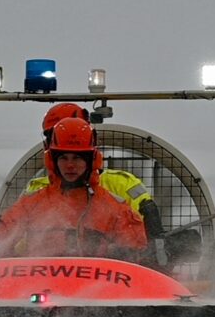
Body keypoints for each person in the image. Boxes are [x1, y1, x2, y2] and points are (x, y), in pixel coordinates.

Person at [0, 117, 147, 260]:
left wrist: (118, 253)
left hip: (96, 285)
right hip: (38, 281)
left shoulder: (114, 208)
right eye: (64, 158)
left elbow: (136, 253)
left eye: (77, 158)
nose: (70, 165)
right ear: (53, 161)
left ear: (91, 161)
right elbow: (6, 226)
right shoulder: (34, 202)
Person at [27, 103, 166, 242]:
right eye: (55, 137)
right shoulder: (36, 189)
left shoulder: (124, 185)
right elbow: (22, 242)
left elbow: (151, 238)